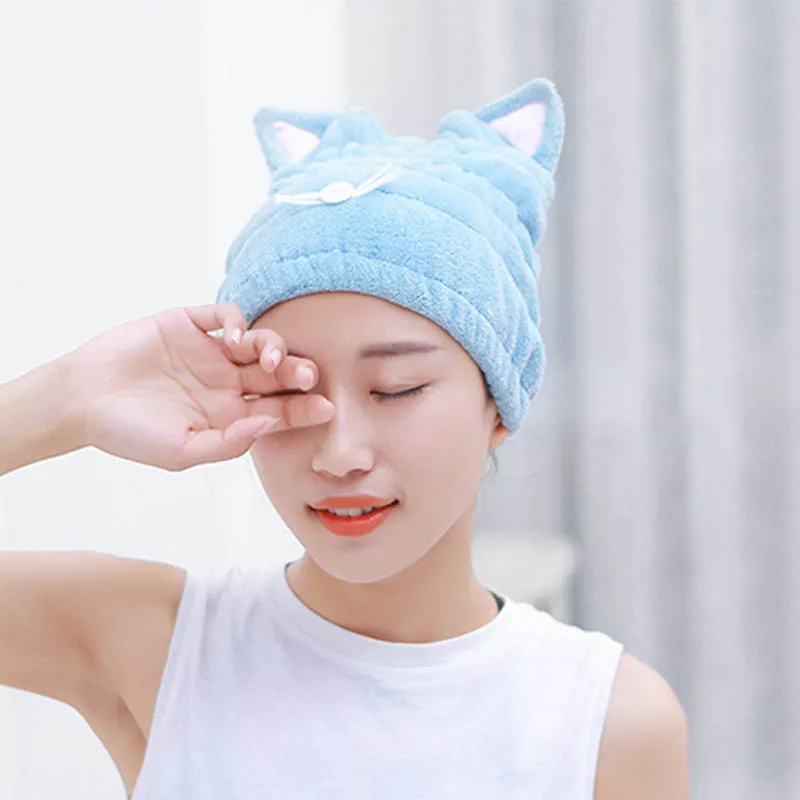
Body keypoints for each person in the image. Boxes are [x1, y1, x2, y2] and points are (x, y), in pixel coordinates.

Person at [0, 78, 689, 799]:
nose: (339, 453)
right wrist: (67, 398)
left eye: (396, 389)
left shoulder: (609, 722)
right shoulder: (155, 646)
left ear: (498, 402)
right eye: (288, 390)